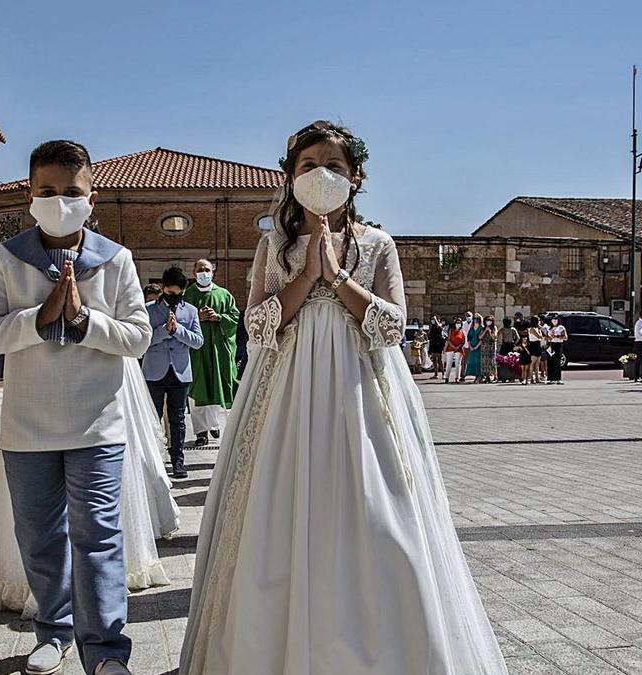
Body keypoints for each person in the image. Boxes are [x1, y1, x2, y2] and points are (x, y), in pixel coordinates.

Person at [180, 120, 505, 674]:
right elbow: (256, 328)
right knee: (275, 509)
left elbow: (391, 328)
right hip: (282, 392)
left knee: (379, 513)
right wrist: (307, 276)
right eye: (309, 166)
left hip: (362, 392)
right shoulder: (273, 244)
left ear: (357, 178)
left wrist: (338, 276)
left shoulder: (378, 244)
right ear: (290, 176)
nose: (321, 176)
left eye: (334, 166)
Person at [0, 140, 146, 675]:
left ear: (92, 197)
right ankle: (54, 628)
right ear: (30, 193)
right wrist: (37, 317)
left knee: (98, 538)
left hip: (97, 424)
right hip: (27, 426)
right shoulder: (6, 258)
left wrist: (87, 322)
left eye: (72, 192)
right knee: (40, 536)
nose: (60, 200)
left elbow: (137, 338)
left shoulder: (116, 261)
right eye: (48, 191)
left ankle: (107, 650)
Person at [0, 358, 177, 614]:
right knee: (37, 518)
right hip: (34, 392)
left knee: (99, 509)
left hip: (102, 384)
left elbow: (135, 333)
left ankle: (97, 589)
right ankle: (48, 594)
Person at [144, 267, 204, 479]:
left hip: (180, 372)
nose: (175, 298)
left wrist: (177, 330)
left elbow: (198, 342)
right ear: (163, 288)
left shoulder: (190, 310)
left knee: (177, 419)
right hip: (154, 372)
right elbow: (141, 342)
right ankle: (152, 462)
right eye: (171, 294)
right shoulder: (148, 309)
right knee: (153, 418)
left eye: (179, 294)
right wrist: (163, 331)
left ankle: (178, 462)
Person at [185, 259, 240, 447]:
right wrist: (197, 318)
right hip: (196, 352)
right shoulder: (187, 296)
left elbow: (234, 317)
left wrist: (218, 317)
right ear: (194, 272)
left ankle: (214, 424)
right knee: (198, 390)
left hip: (218, 351)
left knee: (217, 386)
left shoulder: (223, 295)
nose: (204, 272)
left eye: (207, 269)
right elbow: (179, 319)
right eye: (200, 269)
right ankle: (201, 432)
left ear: (213, 272)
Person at [545, 315, 567, 384]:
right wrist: (549, 337)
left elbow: (565, 337)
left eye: (555, 319)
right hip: (551, 345)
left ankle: (558, 378)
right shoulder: (549, 328)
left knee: (557, 362)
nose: (554, 321)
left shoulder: (561, 327)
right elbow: (546, 337)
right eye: (553, 319)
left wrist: (557, 336)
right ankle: (550, 378)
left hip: (558, 345)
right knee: (550, 361)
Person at [443, 317, 466, 383]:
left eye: (459, 323)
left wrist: (458, 347)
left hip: (459, 349)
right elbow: (448, 339)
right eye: (457, 322)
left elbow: (463, 341)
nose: (458, 324)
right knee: (449, 363)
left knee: (458, 364)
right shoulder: (451, 330)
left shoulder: (462, 331)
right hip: (450, 348)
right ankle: (447, 377)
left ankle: (457, 378)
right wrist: (453, 347)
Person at [464, 312, 483, 381]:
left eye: (477, 318)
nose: (475, 320)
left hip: (479, 347)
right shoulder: (471, 328)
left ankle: (479, 376)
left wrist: (476, 346)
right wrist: (470, 346)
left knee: (478, 362)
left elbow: (481, 339)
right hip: (472, 346)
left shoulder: (481, 328)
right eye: (474, 318)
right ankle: (475, 375)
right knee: (472, 361)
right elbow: (469, 338)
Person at [526, 316, 545, 384]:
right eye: (538, 320)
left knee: (537, 363)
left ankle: (537, 378)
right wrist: (540, 333)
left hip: (538, 345)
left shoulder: (537, 328)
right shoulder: (532, 329)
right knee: (532, 363)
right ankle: (531, 378)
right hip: (533, 345)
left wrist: (540, 330)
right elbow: (539, 336)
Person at [479, 315, 497, 383]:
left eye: (490, 320)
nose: (488, 322)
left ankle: (495, 376)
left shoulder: (494, 328)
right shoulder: (483, 328)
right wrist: (485, 331)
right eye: (487, 320)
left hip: (491, 346)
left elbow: (494, 337)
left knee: (492, 362)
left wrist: (489, 331)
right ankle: (487, 376)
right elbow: (480, 337)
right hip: (484, 346)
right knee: (485, 362)